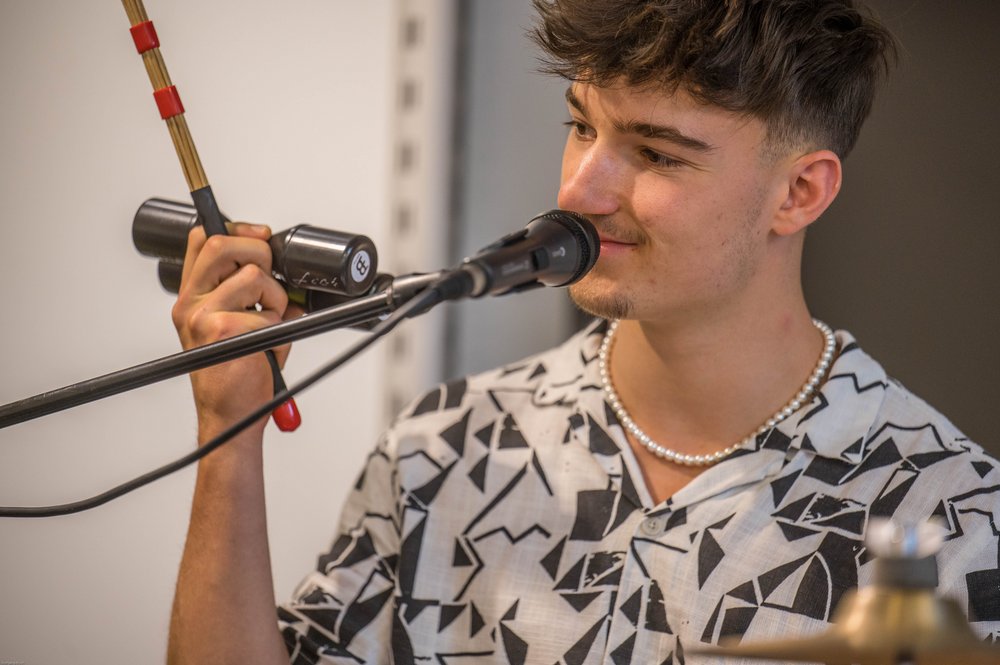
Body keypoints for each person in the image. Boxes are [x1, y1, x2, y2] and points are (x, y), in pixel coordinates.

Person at [167, 1, 1000, 663]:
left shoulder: (953, 517)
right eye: (581, 126)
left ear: (800, 193)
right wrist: (228, 433)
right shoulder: (443, 449)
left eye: (657, 154)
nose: (580, 190)